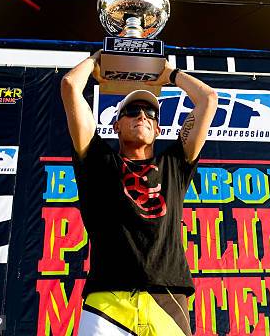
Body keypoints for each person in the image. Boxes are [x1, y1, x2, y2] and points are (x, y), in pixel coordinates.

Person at [60, 50, 217, 336]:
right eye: (132, 111)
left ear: (157, 128)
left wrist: (169, 73)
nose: (142, 116)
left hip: (167, 299)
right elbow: (71, 85)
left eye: (150, 113)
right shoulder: (97, 160)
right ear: (116, 125)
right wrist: (100, 60)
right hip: (107, 301)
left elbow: (208, 100)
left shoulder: (174, 163)